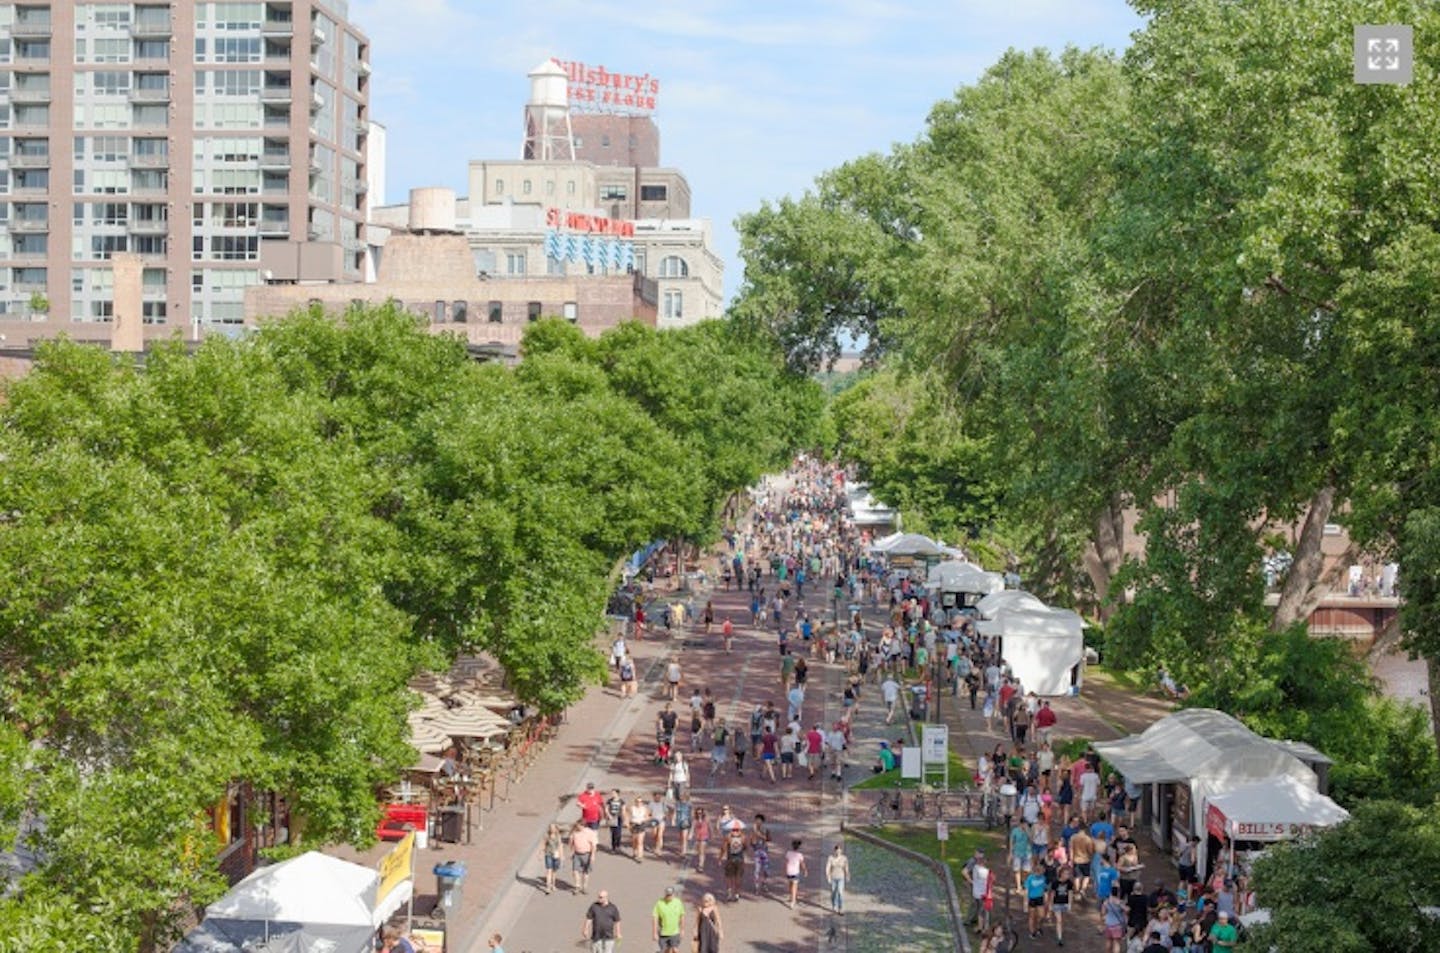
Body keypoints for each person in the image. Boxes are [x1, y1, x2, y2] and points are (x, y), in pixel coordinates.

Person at [652, 885, 686, 951]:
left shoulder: (678, 902)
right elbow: (655, 918)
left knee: (675, 949)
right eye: (667, 895)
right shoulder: (659, 903)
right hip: (663, 933)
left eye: (670, 895)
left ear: (673, 894)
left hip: (675, 932)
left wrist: (682, 930)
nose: (669, 897)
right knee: (665, 950)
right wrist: (654, 933)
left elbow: (682, 916)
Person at [721, 820, 747, 902]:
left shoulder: (728, 836)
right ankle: (737, 893)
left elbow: (723, 848)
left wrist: (720, 857)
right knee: (738, 877)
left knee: (729, 876)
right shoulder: (743, 837)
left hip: (730, 859)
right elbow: (745, 847)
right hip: (740, 859)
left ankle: (729, 892)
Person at [1050, 862, 1074, 947]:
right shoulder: (1055, 883)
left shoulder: (1069, 883)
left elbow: (1070, 893)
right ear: (1061, 874)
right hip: (1057, 903)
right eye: (1066, 874)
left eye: (1068, 874)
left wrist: (1070, 904)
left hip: (1064, 904)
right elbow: (1052, 894)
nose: (1068, 875)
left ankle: (1060, 932)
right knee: (1059, 920)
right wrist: (1051, 904)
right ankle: (1059, 938)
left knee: (1062, 920)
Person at [569, 820, 597, 894]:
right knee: (575, 870)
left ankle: (584, 887)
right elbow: (571, 843)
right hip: (577, 854)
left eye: (578, 826)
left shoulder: (590, 832)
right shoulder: (574, 832)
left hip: (587, 854)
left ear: (583, 826)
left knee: (586, 872)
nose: (577, 827)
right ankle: (577, 886)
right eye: (577, 825)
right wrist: (571, 852)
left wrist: (593, 855)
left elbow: (593, 845)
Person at [1024, 859, 1049, 938]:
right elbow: (1026, 891)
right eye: (1040, 870)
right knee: (1032, 916)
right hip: (1032, 899)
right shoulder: (1030, 878)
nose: (1042, 872)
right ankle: (1032, 932)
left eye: (1042, 870)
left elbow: (1044, 889)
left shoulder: (1043, 878)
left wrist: (1046, 898)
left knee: (1041, 915)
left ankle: (1038, 927)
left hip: (1040, 898)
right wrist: (1025, 902)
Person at [541, 822, 565, 895]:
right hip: (548, 855)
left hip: (556, 856)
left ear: (556, 829)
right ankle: (548, 887)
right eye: (551, 828)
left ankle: (553, 885)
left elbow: (560, 846)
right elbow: (543, 845)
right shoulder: (546, 836)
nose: (552, 829)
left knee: (554, 871)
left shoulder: (558, 836)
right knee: (549, 870)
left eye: (553, 828)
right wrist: (540, 853)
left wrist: (562, 855)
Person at [1101, 887, 1128, 953]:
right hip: (1117, 925)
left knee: (1108, 941)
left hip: (1108, 924)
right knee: (1116, 943)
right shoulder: (1119, 902)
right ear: (1118, 893)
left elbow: (1103, 912)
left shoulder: (1107, 901)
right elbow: (1127, 910)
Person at [825, 843, 849, 914]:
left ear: (841, 851)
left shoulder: (844, 858)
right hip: (833, 878)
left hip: (841, 877)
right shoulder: (831, 858)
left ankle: (840, 908)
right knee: (833, 892)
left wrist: (847, 875)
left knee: (840, 892)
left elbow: (846, 868)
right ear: (834, 851)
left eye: (839, 851)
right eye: (837, 851)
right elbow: (827, 868)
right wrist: (828, 877)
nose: (838, 852)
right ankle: (834, 906)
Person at [783, 838, 807, 910]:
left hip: (789, 871)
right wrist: (805, 870)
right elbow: (802, 864)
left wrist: (785, 870)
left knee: (790, 884)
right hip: (795, 872)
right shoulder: (799, 855)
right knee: (795, 887)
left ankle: (791, 897)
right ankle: (793, 901)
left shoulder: (788, 853)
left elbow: (786, 862)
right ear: (798, 847)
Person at [627, 795, 650, 863]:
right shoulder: (632, 808)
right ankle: (635, 852)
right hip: (634, 825)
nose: (639, 803)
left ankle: (640, 856)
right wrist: (628, 825)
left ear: (642, 802)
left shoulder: (644, 808)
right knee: (634, 841)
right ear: (635, 802)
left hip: (641, 825)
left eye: (640, 801)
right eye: (637, 801)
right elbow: (627, 816)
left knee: (640, 841)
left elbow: (648, 817)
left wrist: (644, 820)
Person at [605, 788, 625, 854]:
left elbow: (623, 810)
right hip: (612, 818)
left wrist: (623, 818)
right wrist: (609, 815)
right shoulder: (609, 801)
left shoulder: (621, 801)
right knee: (613, 833)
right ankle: (613, 848)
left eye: (613, 793)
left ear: (617, 793)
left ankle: (618, 845)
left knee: (618, 833)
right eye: (612, 793)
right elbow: (606, 809)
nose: (612, 794)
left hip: (619, 818)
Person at [693, 806, 711, 871]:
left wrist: (712, 834)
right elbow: (692, 827)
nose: (699, 814)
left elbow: (710, 827)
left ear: (703, 813)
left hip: (704, 837)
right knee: (699, 852)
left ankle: (701, 865)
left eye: (700, 813)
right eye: (698, 813)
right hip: (698, 837)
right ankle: (700, 862)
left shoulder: (706, 819)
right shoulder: (695, 820)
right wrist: (690, 835)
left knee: (702, 851)